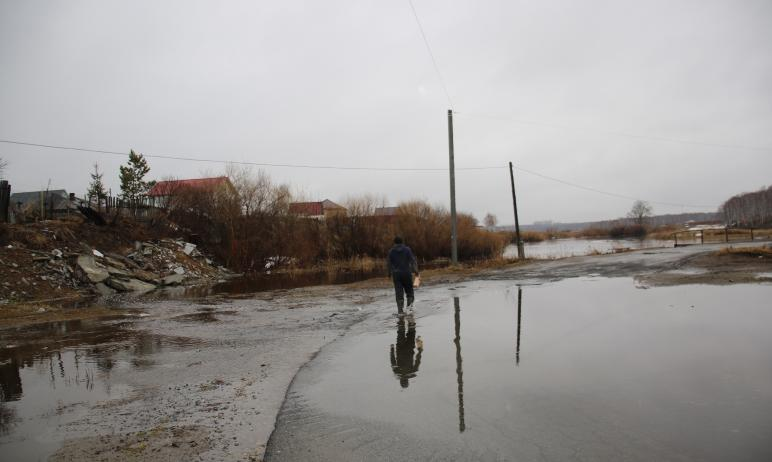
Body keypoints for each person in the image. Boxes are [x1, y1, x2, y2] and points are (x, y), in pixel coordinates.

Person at [387, 236, 419, 314]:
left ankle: (400, 312)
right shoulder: (407, 250)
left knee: (399, 293)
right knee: (410, 292)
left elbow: (389, 264)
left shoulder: (391, 251)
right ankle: (409, 310)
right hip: (407, 273)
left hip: (396, 275)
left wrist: (389, 273)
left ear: (394, 243)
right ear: (402, 242)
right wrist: (416, 271)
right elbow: (412, 261)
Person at [390, 314, 423, 388]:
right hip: (400, 349)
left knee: (411, 332)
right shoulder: (397, 372)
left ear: (407, 381)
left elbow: (418, 359)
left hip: (409, 349)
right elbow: (393, 361)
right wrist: (392, 349)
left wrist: (420, 350)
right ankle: (401, 318)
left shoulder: (413, 372)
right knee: (401, 332)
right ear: (401, 381)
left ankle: (409, 317)